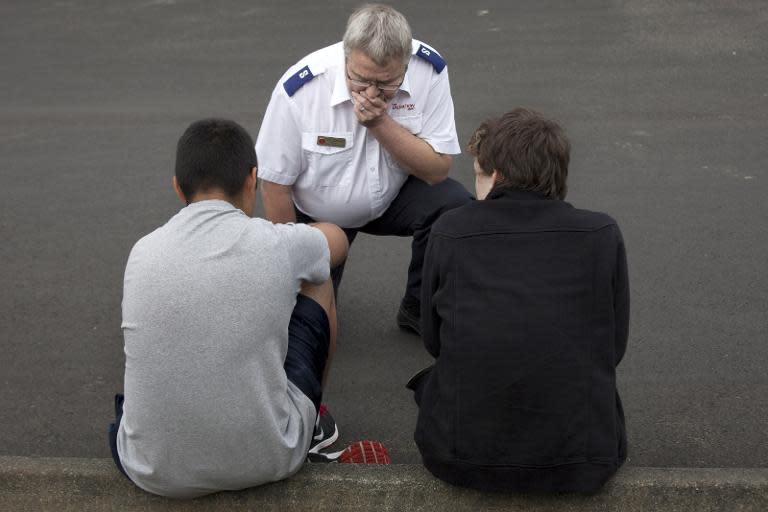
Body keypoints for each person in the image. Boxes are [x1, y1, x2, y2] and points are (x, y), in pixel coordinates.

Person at [108, 119, 349, 498]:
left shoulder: (142, 251)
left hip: (149, 466)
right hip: (271, 457)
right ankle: (313, 422)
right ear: (252, 179)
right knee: (318, 279)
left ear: (177, 186)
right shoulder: (276, 244)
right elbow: (337, 242)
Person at [409, 108, 630, 493]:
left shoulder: (452, 230)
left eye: (477, 174)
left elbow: (434, 340)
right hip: (583, 460)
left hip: (459, 457)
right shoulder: (601, 233)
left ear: (495, 176)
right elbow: (611, 348)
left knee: (437, 382)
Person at [255, 4, 472, 335]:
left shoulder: (429, 70)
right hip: (319, 213)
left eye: (387, 84)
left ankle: (418, 306)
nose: (371, 93)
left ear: (406, 63)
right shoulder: (301, 89)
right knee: (312, 329)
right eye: (360, 80)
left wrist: (380, 123)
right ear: (346, 56)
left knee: (454, 206)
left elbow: (437, 169)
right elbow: (274, 185)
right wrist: (293, 269)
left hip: (392, 195)